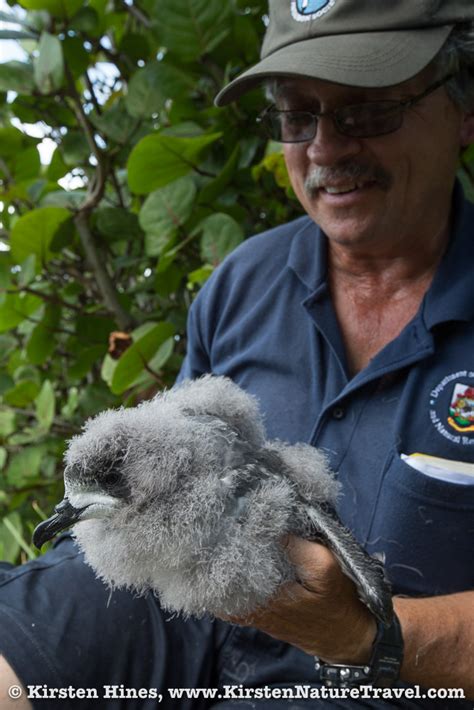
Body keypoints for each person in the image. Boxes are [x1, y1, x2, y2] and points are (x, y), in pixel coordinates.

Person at [1, 0, 474, 707]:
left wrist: (372, 636)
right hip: (198, 651)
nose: (324, 148)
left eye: (368, 110)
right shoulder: (242, 284)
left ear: (464, 109)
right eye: (295, 115)